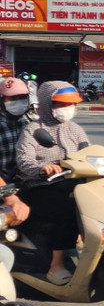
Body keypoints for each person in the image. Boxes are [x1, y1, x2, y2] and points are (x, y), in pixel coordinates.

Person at [15, 81, 87, 285]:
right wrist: (41, 169)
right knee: (68, 206)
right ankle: (56, 265)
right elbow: (24, 159)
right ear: (48, 103)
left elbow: (88, 151)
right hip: (39, 186)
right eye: (61, 104)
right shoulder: (33, 129)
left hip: (71, 182)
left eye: (71, 104)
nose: (68, 109)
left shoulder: (75, 129)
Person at [0, 77, 33, 183]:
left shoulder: (28, 123)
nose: (18, 102)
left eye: (22, 97)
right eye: (12, 98)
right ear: (2, 100)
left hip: (23, 180)